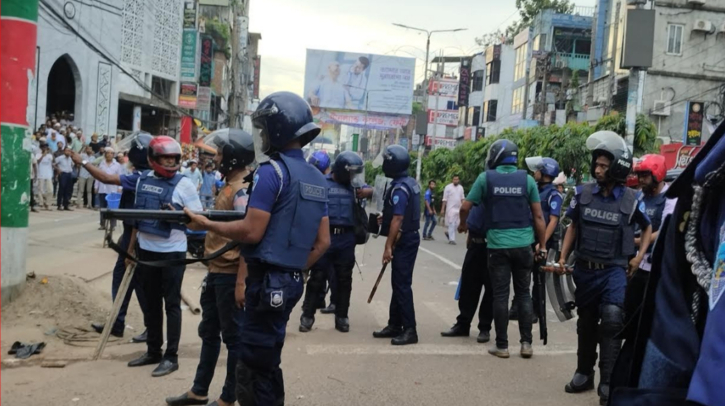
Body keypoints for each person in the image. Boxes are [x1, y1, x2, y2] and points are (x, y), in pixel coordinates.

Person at [184, 91, 330, 405]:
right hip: (289, 284)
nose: (261, 137)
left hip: (266, 283)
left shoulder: (270, 172)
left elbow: (251, 231)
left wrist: (206, 224)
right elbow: (323, 242)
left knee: (253, 363)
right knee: (268, 358)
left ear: (277, 129)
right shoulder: (317, 178)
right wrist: (293, 268)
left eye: (264, 130)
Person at [558, 131, 652, 406]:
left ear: (617, 168)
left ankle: (609, 382)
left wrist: (638, 257)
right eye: (596, 165)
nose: (597, 170)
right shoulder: (582, 193)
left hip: (614, 270)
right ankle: (583, 373)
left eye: (603, 166)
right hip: (586, 269)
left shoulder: (632, 199)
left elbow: (647, 228)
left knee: (612, 321)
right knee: (586, 323)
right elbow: (572, 227)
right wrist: (563, 257)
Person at [165, 130, 255, 406]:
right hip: (215, 273)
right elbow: (215, 223)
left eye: (220, 154)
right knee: (209, 333)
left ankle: (229, 397)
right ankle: (199, 391)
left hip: (229, 277)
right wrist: (185, 219)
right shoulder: (227, 185)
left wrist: (241, 281)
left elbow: (247, 238)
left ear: (233, 158)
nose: (215, 158)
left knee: (233, 339)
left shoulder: (240, 190)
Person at [458, 139, 548, 359]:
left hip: (497, 246)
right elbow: (538, 216)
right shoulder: (527, 180)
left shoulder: (485, 178)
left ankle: (502, 345)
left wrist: (463, 224)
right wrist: (542, 245)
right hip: (523, 245)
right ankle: (526, 344)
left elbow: (465, 207)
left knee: (500, 295)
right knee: (524, 294)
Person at [126, 136, 203, 377]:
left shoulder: (186, 185)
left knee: (171, 304)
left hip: (172, 254)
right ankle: (153, 351)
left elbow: (199, 222)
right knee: (150, 303)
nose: (170, 162)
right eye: (165, 158)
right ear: (152, 159)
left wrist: (180, 215)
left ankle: (171, 357)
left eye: (173, 158)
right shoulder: (142, 181)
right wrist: (130, 249)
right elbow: (137, 219)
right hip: (146, 252)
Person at [72, 133, 153, 343]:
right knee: (131, 282)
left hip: (135, 237)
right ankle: (120, 323)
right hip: (131, 235)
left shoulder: (140, 178)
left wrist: (83, 161)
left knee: (139, 284)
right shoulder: (146, 175)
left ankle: (149, 328)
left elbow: (107, 179)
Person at [300, 151, 372, 333]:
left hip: (346, 239)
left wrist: (368, 192)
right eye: (351, 172)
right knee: (317, 278)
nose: (353, 176)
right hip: (325, 236)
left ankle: (342, 317)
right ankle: (307, 315)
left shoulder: (355, 186)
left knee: (344, 280)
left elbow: (373, 190)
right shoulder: (322, 183)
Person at [372, 144, 421, 346]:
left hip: (404, 239)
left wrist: (388, 246)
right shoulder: (410, 182)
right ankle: (394, 324)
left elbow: (399, 219)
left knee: (402, 285)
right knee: (398, 283)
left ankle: (410, 330)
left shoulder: (399, 188)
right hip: (408, 236)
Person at [509, 157, 564, 322]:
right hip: (529, 239)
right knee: (522, 274)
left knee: (538, 278)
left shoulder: (554, 195)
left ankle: (534, 312)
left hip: (544, 242)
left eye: (537, 170)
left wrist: (543, 243)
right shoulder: (534, 190)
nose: (535, 173)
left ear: (545, 173)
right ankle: (517, 307)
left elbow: (553, 220)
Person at [624, 154, 676, 319]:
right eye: (639, 175)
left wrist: (638, 242)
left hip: (657, 265)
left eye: (645, 175)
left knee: (652, 314)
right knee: (629, 309)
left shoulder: (671, 197)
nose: (641, 179)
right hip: (636, 263)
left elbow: (665, 229)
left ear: (657, 174)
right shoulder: (639, 196)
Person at [441, 202, 493, 343]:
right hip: (475, 244)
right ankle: (463, 324)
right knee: (468, 286)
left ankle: (484, 328)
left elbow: (465, 208)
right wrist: (469, 236)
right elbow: (468, 210)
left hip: (492, 246)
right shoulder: (479, 189)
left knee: (491, 289)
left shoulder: (496, 189)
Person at [307, 150, 336, 313]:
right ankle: (318, 302)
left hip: (318, 233)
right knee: (322, 271)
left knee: (319, 272)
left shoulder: (312, 182)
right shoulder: (322, 183)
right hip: (324, 233)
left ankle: (317, 303)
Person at [95, 147, 124, 230]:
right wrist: (96, 186)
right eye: (108, 153)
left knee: (112, 208)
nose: (109, 155)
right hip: (102, 188)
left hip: (113, 189)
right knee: (102, 207)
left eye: (111, 153)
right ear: (105, 154)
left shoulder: (117, 165)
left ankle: (112, 225)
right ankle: (102, 224)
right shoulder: (101, 164)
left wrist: (120, 187)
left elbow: (120, 176)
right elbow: (98, 176)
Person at [442, 175, 465, 245]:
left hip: (458, 208)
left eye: (457, 179)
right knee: (452, 223)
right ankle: (452, 239)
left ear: (458, 180)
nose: (456, 181)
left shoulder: (461, 188)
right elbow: (444, 199)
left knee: (457, 224)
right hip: (450, 208)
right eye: (454, 179)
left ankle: (449, 233)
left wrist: (464, 207)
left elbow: (462, 198)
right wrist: (442, 209)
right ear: (452, 180)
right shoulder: (448, 187)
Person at [54, 146, 75, 211]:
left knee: (68, 190)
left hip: (69, 174)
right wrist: (58, 169)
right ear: (64, 151)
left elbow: (72, 165)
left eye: (69, 151)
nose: (68, 152)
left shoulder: (70, 158)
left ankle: (66, 205)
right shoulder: (60, 158)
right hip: (63, 174)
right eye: (67, 151)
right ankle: (59, 205)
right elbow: (53, 164)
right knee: (61, 189)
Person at [36, 143, 54, 210]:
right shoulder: (38, 155)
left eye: (46, 147)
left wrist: (50, 152)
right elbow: (37, 162)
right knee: (40, 190)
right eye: (43, 147)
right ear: (41, 148)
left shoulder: (49, 156)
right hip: (41, 175)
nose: (45, 148)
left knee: (50, 190)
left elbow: (53, 161)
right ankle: (41, 203)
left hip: (49, 175)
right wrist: (43, 155)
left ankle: (48, 203)